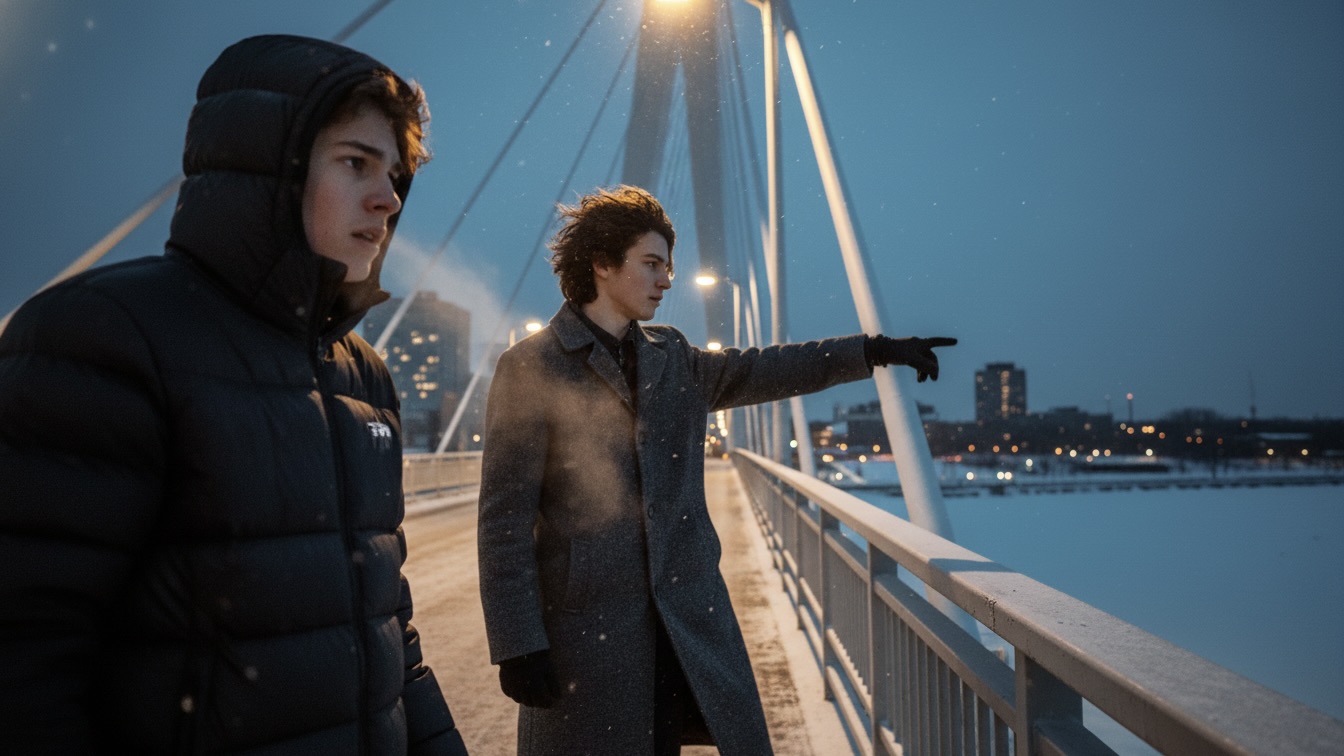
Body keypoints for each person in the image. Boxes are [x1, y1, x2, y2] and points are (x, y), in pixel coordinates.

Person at [0, 35, 467, 753]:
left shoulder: (363, 377)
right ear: (268, 169)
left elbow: (386, 634)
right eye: (356, 163)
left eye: (395, 173)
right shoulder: (103, 338)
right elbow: (27, 667)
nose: (390, 198)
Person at [477, 185, 955, 755]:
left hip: (684, 620)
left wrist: (872, 351)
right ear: (602, 263)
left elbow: (766, 369)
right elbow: (503, 522)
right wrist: (517, 643)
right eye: (651, 264)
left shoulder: (672, 357)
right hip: (586, 630)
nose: (667, 280)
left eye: (668, 266)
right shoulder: (532, 366)